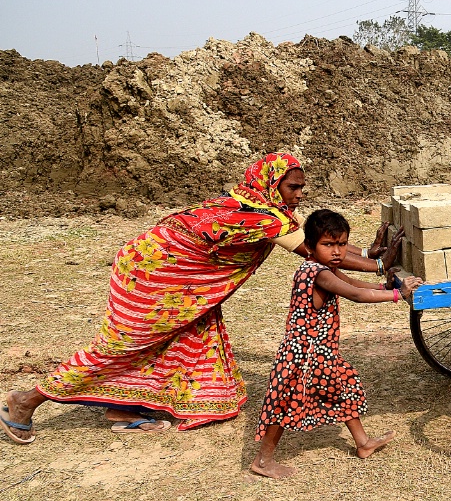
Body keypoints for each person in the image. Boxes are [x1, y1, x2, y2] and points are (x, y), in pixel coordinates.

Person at [1, 152, 404, 443]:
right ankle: (26, 401)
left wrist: (373, 257)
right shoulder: (263, 217)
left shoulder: (257, 205)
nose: (299, 193)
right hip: (156, 276)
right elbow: (316, 253)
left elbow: (322, 247)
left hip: (170, 276)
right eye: (293, 186)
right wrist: (382, 270)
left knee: (186, 338)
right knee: (122, 345)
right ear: (272, 183)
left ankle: (124, 405)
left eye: (301, 187)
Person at [250, 209, 422, 479]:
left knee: (344, 386)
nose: (337, 251)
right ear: (309, 246)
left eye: (341, 244)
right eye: (328, 245)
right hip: (303, 355)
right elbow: (355, 294)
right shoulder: (318, 273)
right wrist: (398, 294)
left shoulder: (325, 269)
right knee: (284, 404)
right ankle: (262, 461)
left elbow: (352, 281)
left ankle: (363, 443)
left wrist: (383, 286)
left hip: (320, 353)